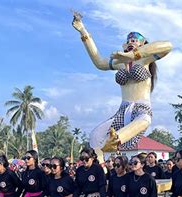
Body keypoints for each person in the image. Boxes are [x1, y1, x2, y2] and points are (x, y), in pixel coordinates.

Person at [71, 12, 172, 160]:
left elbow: (168, 46)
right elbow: (99, 62)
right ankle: (101, 166)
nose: (131, 42)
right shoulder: (119, 63)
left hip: (141, 108)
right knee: (96, 136)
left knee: (144, 120)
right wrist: (83, 31)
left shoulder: (146, 60)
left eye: (135, 40)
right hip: (123, 109)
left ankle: (117, 140)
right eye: (129, 40)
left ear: (143, 44)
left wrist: (134, 55)